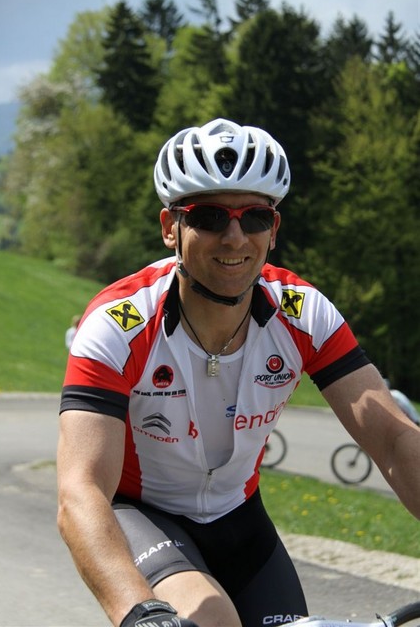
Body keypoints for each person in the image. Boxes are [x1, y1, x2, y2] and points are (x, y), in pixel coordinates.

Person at [57, 118, 420, 627]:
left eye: (254, 217)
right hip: (142, 514)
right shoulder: (119, 325)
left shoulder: (304, 315)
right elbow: (81, 491)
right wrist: (140, 612)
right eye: (208, 216)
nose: (234, 237)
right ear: (170, 227)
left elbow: (395, 440)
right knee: (214, 621)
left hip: (240, 518)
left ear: (273, 230)